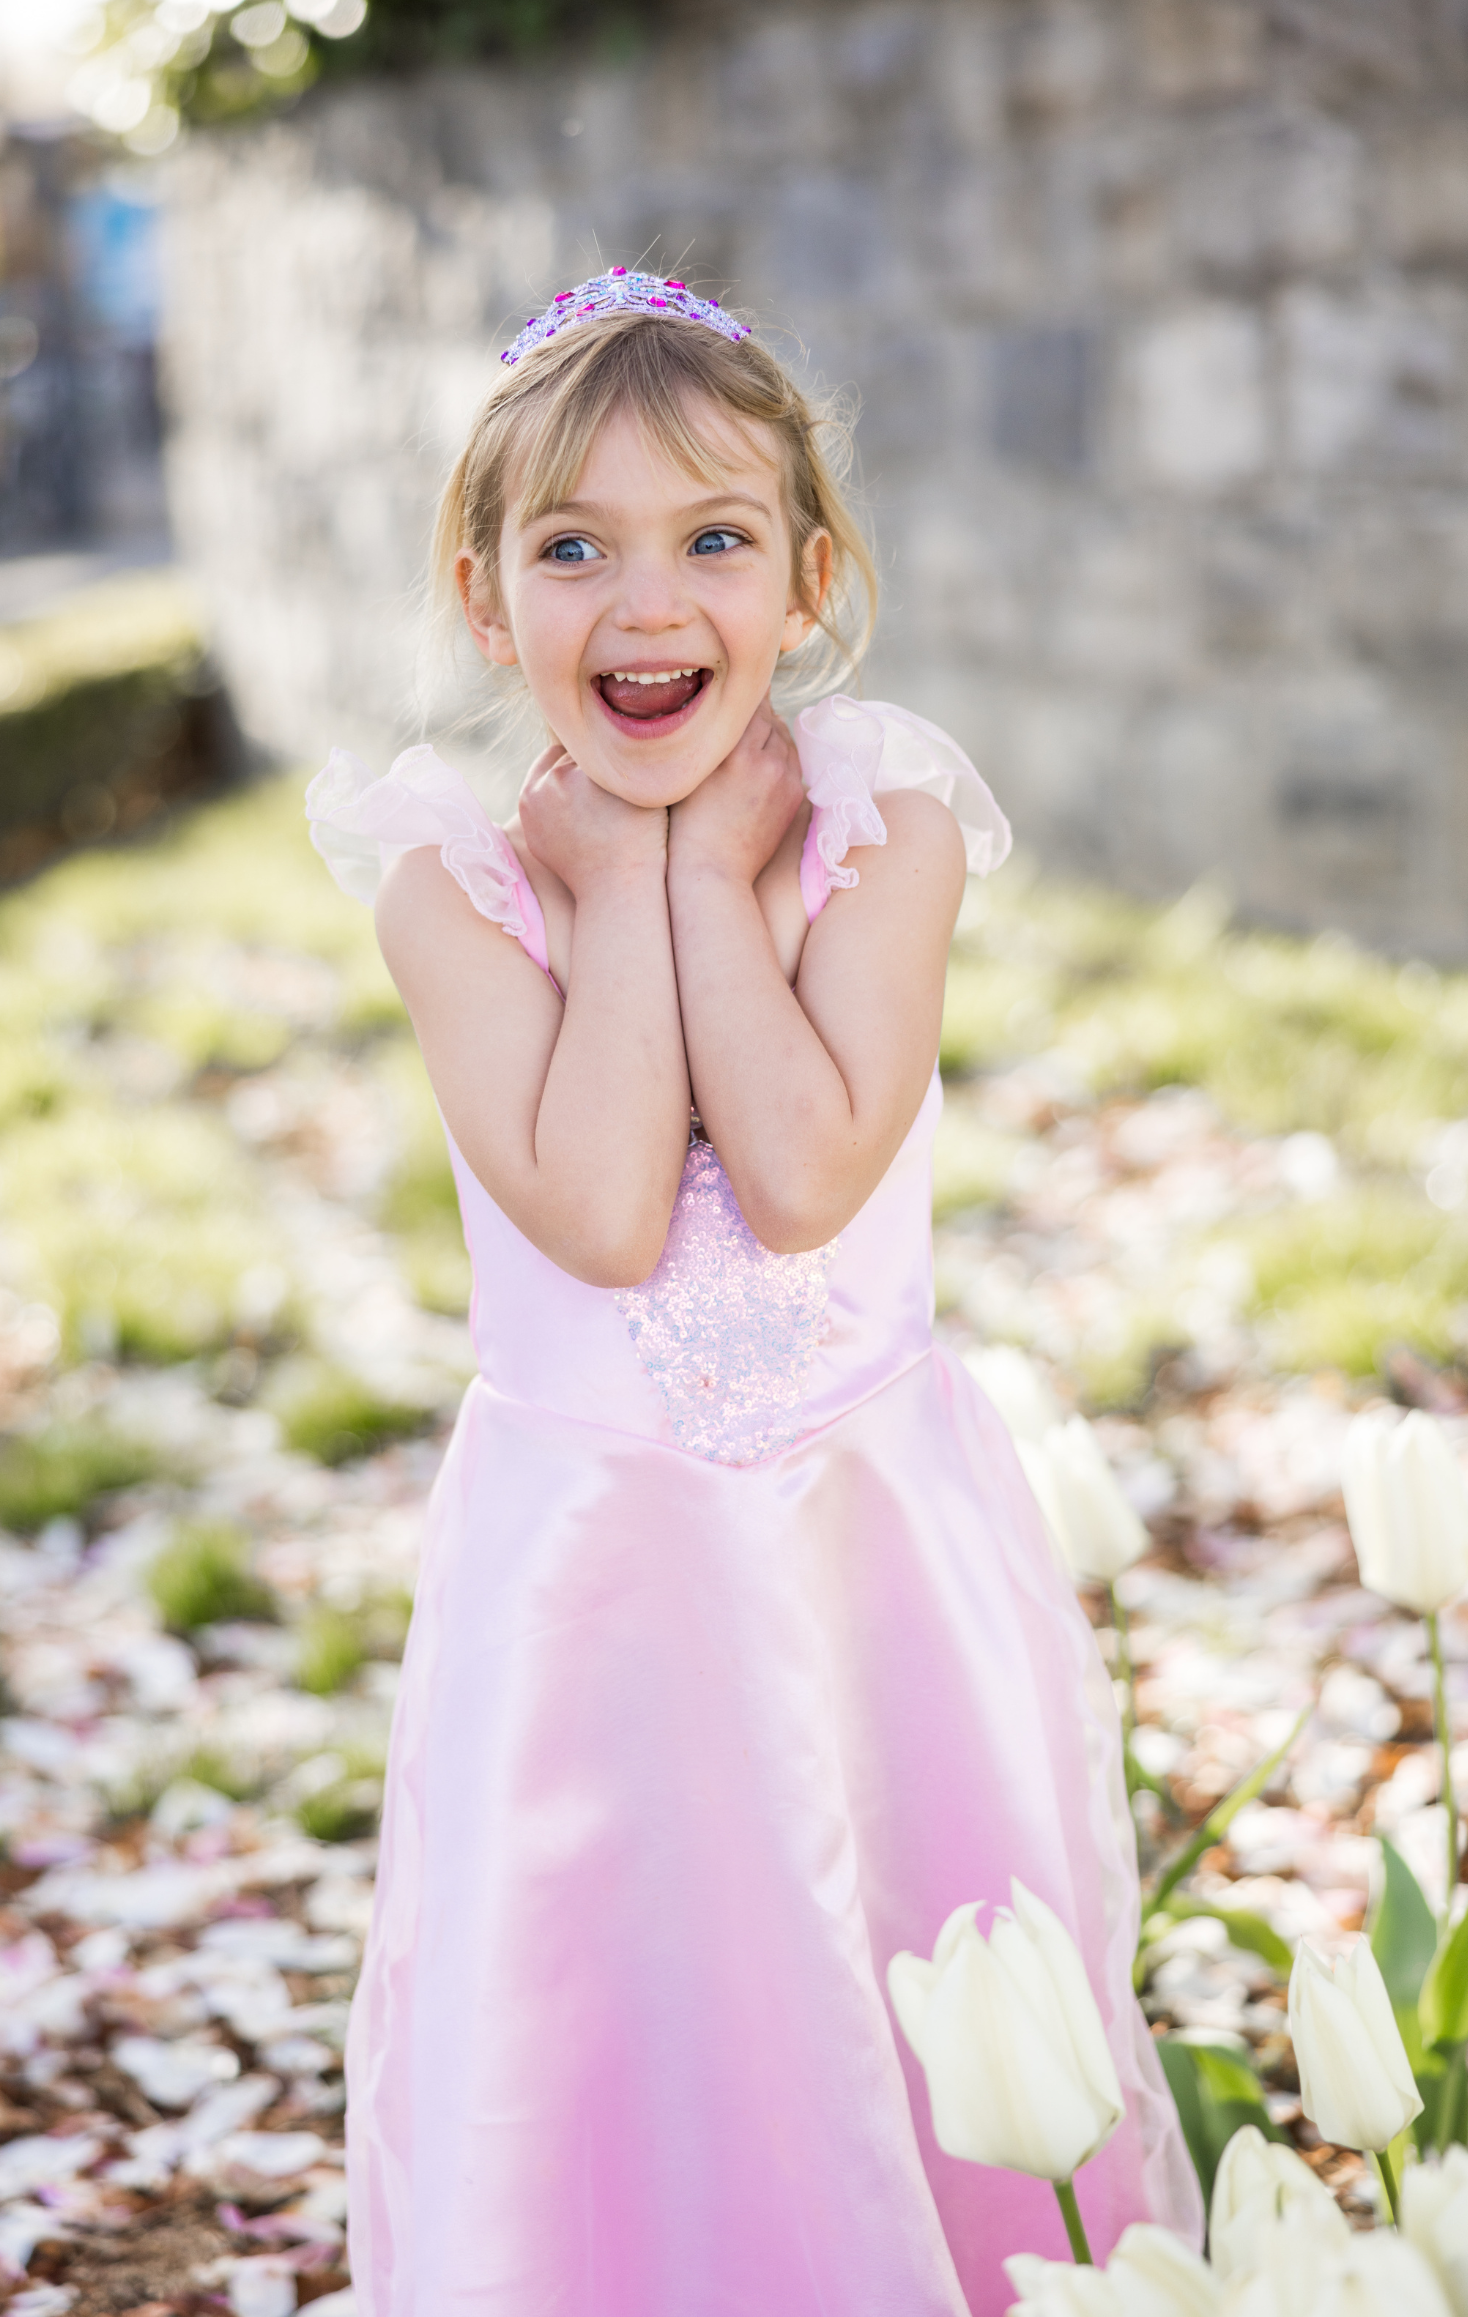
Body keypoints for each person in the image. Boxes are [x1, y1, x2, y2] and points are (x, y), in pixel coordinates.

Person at [306, 268, 1201, 2317]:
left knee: (920, 1990)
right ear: (480, 596)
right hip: (592, 1587)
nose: (647, 603)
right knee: (618, 2030)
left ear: (807, 583)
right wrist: (624, 883)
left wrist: (713, 873)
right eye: (572, 548)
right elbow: (606, 1216)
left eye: (712, 541)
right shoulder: (449, 879)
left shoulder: (874, 825)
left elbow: (798, 1174)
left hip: (859, 1543)